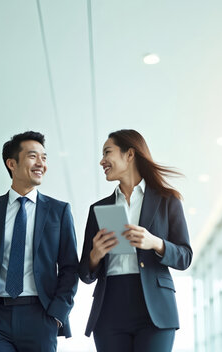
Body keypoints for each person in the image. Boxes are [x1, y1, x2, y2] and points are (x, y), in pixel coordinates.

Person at [79, 129, 192, 351]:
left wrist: (156, 243)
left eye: (107, 152)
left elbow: (185, 257)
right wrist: (95, 255)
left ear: (129, 154)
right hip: (109, 306)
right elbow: (84, 273)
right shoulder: (98, 209)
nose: (102, 161)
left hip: (155, 308)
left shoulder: (167, 200)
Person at [0, 131, 78, 352]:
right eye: (33, 156)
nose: (41, 164)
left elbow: (70, 268)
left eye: (44, 158)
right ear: (12, 163)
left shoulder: (59, 211)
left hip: (40, 316)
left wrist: (57, 314)